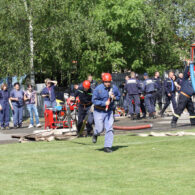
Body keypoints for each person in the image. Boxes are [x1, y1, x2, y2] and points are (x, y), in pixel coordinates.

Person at [92, 73, 121, 153]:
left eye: (109, 81)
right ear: (103, 81)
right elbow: (94, 100)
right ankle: (95, 133)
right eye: (106, 82)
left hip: (109, 111)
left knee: (110, 128)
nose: (107, 83)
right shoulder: (98, 89)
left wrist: (114, 97)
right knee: (100, 129)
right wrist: (104, 103)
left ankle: (107, 146)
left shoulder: (114, 88)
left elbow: (119, 96)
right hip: (98, 111)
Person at [171, 61, 195, 127]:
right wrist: (188, 65)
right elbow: (185, 72)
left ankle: (193, 123)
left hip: (189, 98)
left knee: (192, 110)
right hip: (183, 96)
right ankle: (173, 122)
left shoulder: (194, 83)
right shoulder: (185, 79)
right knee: (179, 110)